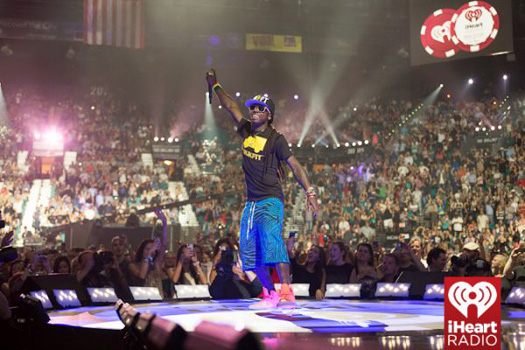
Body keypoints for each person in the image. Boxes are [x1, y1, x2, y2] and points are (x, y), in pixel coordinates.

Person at [206, 69, 319, 309]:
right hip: (251, 203)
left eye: (259, 108)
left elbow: (295, 165)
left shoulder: (276, 139)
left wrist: (310, 192)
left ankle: (287, 291)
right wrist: (215, 85)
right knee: (248, 255)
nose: (253, 110)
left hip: (270, 200)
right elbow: (231, 107)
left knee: (272, 242)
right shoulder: (246, 130)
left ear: (268, 115)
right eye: (253, 107)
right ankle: (269, 293)